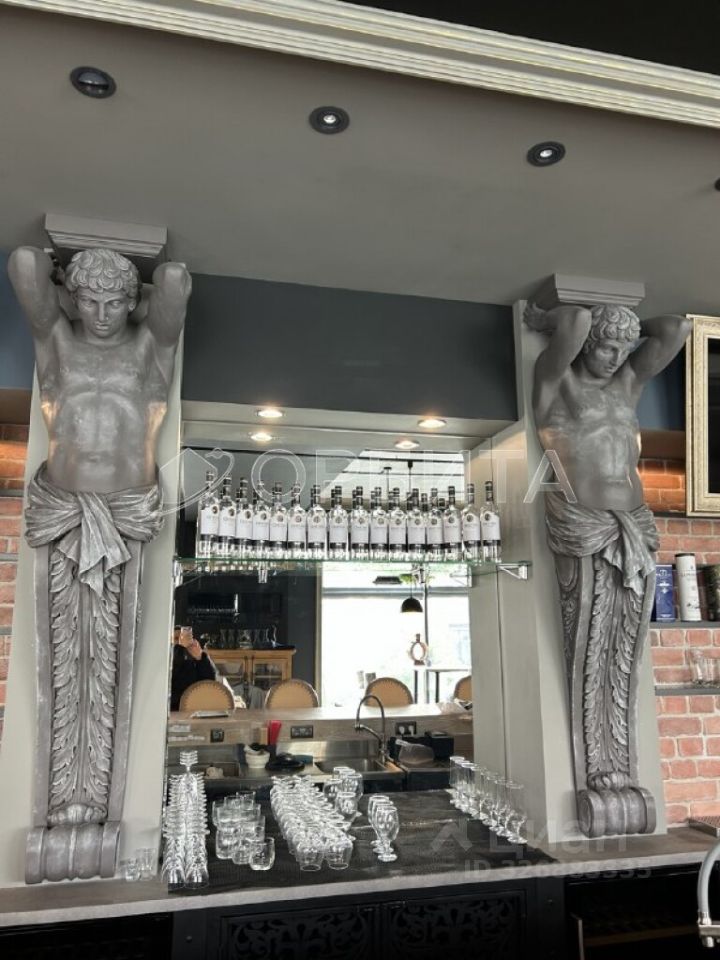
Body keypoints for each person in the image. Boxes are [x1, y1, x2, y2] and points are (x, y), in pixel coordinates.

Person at [9, 245, 190, 881]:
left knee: (111, 656)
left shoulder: (150, 351)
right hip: (61, 513)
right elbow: (24, 265)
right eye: (91, 300)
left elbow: (174, 282)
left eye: (116, 301)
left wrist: (138, 291)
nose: (104, 313)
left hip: (126, 516)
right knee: (65, 659)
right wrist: (62, 288)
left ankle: (95, 801)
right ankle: (61, 801)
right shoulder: (56, 343)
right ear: (73, 299)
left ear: (132, 301)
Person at [525, 302, 691, 837]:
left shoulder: (627, 385)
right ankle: (599, 765)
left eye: (624, 348)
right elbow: (575, 321)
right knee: (590, 641)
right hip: (583, 525)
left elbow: (678, 329)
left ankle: (617, 760)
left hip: (634, 525)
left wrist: (625, 329)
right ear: (585, 344)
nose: (616, 357)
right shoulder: (556, 384)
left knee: (622, 647)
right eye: (606, 346)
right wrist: (551, 321)